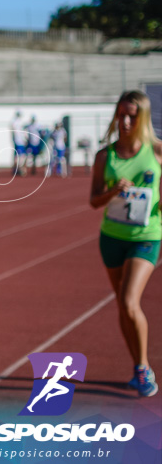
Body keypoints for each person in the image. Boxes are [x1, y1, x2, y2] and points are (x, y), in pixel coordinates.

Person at [89, 90, 161, 398]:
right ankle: (136, 366)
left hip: (146, 238)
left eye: (132, 115)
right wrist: (113, 191)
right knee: (122, 304)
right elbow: (94, 201)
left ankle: (144, 367)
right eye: (121, 114)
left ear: (143, 117)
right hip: (112, 238)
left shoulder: (157, 152)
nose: (126, 121)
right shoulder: (105, 156)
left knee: (130, 301)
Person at [11, 111, 27, 176]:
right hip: (19, 141)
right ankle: (19, 169)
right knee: (21, 156)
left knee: (18, 156)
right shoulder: (16, 122)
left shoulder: (16, 122)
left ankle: (16, 169)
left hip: (19, 141)